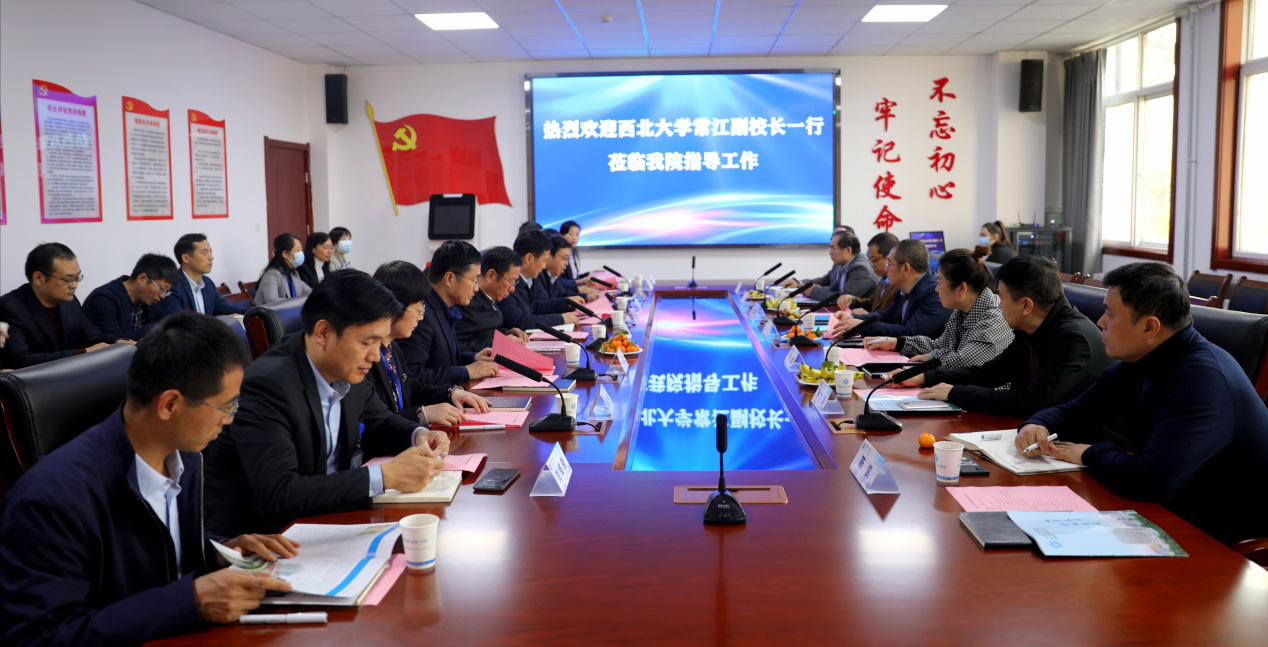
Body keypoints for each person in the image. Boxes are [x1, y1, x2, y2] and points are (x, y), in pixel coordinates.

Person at [0, 313, 298, 644]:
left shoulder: (184, 456)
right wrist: (190, 602)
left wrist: (217, 552)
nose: (229, 420)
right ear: (169, 404)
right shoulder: (52, 500)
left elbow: (154, 552)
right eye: (226, 407)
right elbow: (38, 637)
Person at [1015, 263, 1268, 544]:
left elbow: (1152, 478)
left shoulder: (1203, 378)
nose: (1100, 322)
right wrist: (1037, 424)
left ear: (1149, 326)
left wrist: (1088, 454)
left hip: (1226, 537)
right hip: (1174, 512)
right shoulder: (1142, 361)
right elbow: (1075, 411)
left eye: (1111, 315)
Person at [204, 270, 451, 536]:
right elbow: (281, 492)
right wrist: (385, 476)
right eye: (367, 342)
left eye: (380, 342)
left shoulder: (347, 369)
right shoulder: (267, 385)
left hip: (329, 517)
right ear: (323, 332)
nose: (376, 356)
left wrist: (419, 435)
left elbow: (381, 422)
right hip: (269, 537)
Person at [902, 255, 1113, 420]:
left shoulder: (1073, 339)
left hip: (1078, 441)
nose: (999, 306)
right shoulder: (1030, 327)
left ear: (1026, 305)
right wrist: (926, 377)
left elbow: (1030, 402)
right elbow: (991, 373)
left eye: (1002, 299)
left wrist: (954, 392)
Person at [371, 261, 491, 426]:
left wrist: (450, 392)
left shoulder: (392, 348)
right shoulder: (369, 357)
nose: (421, 317)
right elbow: (376, 423)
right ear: (393, 308)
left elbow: (412, 387)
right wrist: (422, 414)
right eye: (417, 310)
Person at [863, 249, 1012, 371]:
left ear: (961, 288)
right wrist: (897, 343)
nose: (936, 289)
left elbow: (965, 362)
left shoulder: (995, 319)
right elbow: (939, 345)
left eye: (940, 282)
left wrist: (928, 363)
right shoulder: (961, 311)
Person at [0, 243, 130, 369]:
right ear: (38, 278)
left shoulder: (69, 302)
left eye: (77, 278)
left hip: (69, 376)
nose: (74, 285)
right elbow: (21, 360)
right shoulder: (9, 307)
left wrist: (117, 342)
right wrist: (84, 352)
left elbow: (92, 336)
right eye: (68, 279)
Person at [397, 240, 500, 386]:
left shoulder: (445, 307)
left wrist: (473, 358)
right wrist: (466, 371)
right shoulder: (421, 314)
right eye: (474, 280)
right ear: (450, 278)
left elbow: (441, 359)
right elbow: (413, 375)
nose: (476, 289)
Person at [827, 239, 951, 340]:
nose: (887, 269)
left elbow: (910, 333)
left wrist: (862, 326)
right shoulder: (903, 288)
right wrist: (852, 318)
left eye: (889, 264)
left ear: (905, 268)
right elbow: (885, 315)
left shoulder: (934, 293)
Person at [84, 253, 180, 341]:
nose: (163, 296)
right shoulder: (102, 299)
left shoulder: (147, 299)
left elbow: (164, 320)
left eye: (166, 291)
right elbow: (115, 342)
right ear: (142, 278)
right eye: (162, 289)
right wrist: (162, 325)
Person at [501, 230, 583, 331]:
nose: (544, 266)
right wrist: (561, 318)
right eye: (544, 261)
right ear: (529, 258)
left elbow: (534, 307)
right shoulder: (507, 284)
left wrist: (566, 302)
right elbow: (520, 321)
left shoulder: (528, 280)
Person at [455, 246, 531, 354]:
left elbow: (487, 332)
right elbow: (456, 346)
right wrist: (500, 343)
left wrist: (507, 333)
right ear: (491, 275)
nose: (512, 288)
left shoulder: (490, 298)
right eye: (511, 281)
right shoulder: (466, 301)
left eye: (515, 282)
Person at [157, 234, 249, 317]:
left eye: (210, 252)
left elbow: (226, 310)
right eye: (204, 252)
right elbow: (179, 323)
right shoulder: (171, 286)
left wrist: (255, 311)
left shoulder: (207, 283)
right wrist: (220, 321)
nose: (211, 257)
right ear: (186, 258)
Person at [798, 230, 878, 302]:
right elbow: (833, 288)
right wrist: (811, 289)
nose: (830, 253)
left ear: (848, 250)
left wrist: (813, 292)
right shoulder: (844, 265)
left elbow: (843, 298)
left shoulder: (861, 269)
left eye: (833, 248)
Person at [839, 232, 899, 313]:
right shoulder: (883, 280)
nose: (872, 265)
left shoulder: (899, 285)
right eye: (870, 261)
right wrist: (852, 300)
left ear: (890, 257)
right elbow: (872, 303)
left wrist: (867, 316)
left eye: (874, 260)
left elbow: (890, 317)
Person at [255, 233, 311, 305]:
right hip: (270, 312)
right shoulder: (272, 274)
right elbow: (271, 300)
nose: (301, 253)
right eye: (298, 250)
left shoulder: (293, 273)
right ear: (285, 254)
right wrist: (297, 302)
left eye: (301, 250)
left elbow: (309, 292)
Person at [543, 235, 599, 302]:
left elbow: (563, 294)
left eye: (567, 259)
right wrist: (567, 303)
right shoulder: (539, 275)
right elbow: (541, 305)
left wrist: (587, 297)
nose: (566, 263)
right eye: (564, 258)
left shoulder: (553, 275)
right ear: (549, 255)